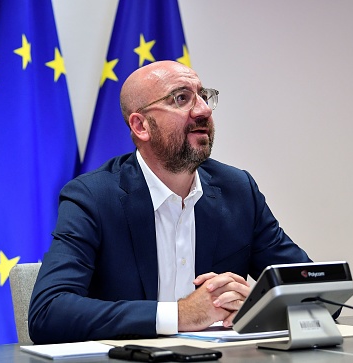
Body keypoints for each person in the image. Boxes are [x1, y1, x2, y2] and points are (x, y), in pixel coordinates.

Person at [28, 61, 311, 344]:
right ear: (141, 126)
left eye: (203, 95)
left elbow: (315, 293)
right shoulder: (93, 197)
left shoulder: (238, 190)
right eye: (181, 98)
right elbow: (48, 313)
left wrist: (263, 303)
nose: (203, 110)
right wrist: (180, 315)